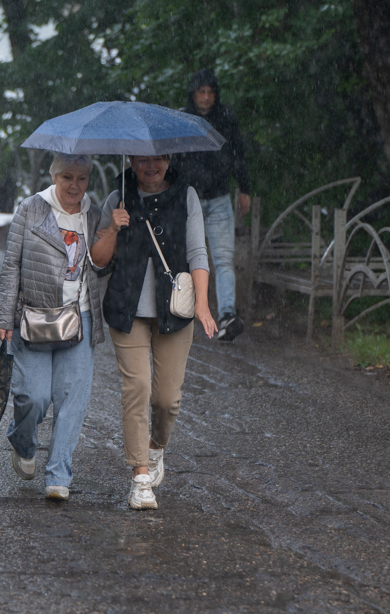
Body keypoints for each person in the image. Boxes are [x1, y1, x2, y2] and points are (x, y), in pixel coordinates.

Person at [91, 155, 218, 510]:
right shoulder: (118, 195)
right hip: (126, 309)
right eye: (143, 159)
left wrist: (203, 305)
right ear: (130, 159)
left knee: (166, 400)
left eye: (159, 158)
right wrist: (113, 228)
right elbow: (98, 261)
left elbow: (197, 253)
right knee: (138, 388)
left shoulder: (186, 194)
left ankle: (156, 447)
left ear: (170, 159)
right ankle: (140, 477)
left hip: (175, 310)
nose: (151, 166)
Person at [0, 153, 105, 501]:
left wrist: (114, 229)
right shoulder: (31, 208)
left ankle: (59, 475)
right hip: (35, 316)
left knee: (73, 399)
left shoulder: (93, 212)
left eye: (82, 178)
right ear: (54, 176)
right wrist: (4, 316)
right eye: (67, 177)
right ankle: (23, 442)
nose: (75, 185)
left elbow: (101, 264)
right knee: (34, 396)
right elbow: (12, 263)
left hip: (80, 315)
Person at [174, 68, 252, 342]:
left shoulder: (226, 118)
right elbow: (173, 160)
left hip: (219, 198)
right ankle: (181, 310)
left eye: (210, 92)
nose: (206, 98)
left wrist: (245, 188)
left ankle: (227, 315)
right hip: (189, 198)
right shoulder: (183, 119)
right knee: (184, 258)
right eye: (201, 92)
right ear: (193, 94)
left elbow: (238, 154)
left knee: (222, 259)